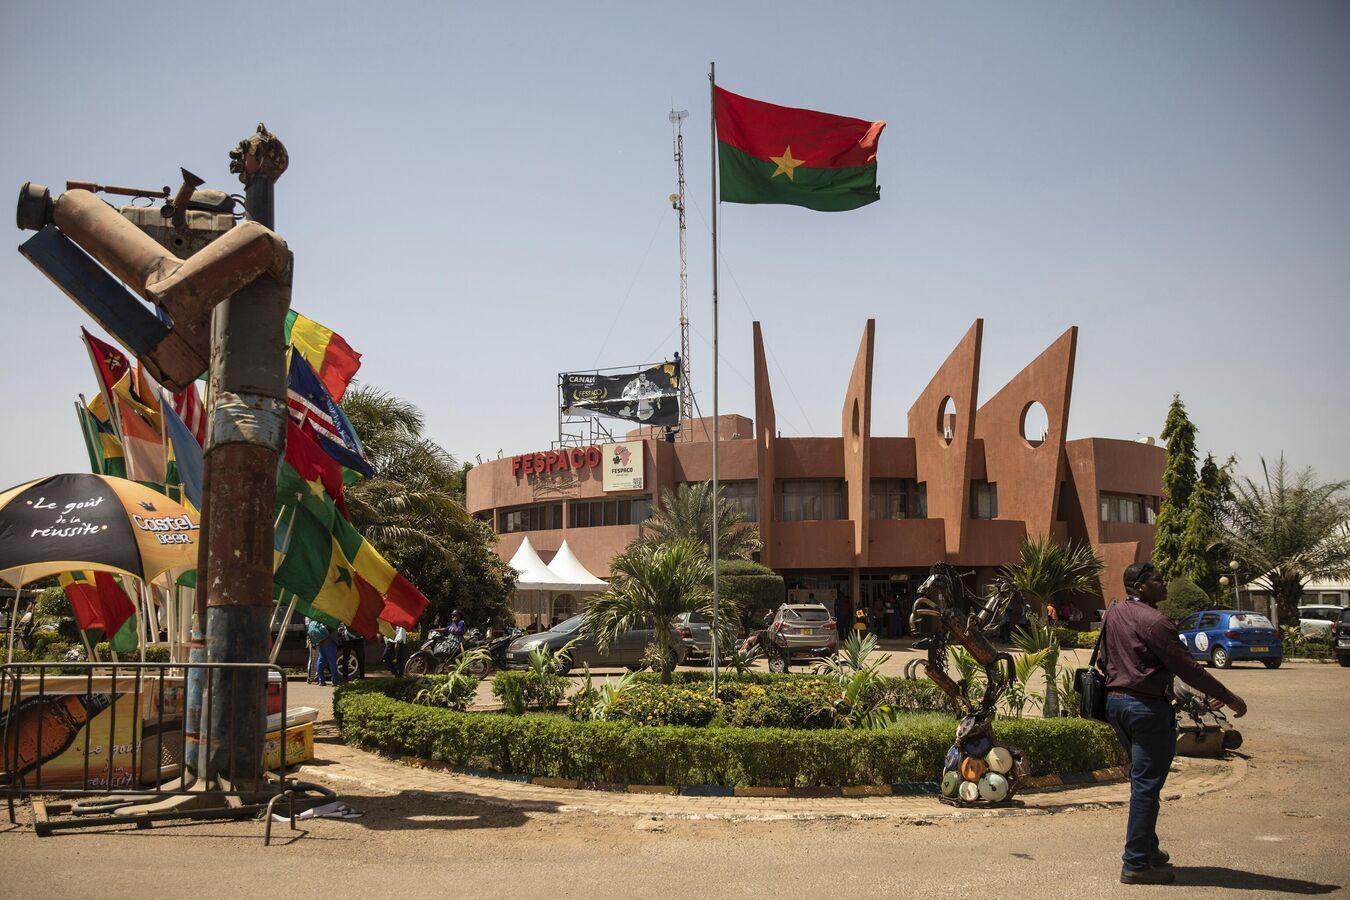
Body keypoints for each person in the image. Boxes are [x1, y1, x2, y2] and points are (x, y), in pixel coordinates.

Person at [1098, 561, 1247, 885]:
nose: (1165, 583)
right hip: (1146, 709)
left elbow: (1102, 659)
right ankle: (1136, 863)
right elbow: (1189, 668)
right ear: (1140, 586)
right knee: (1147, 784)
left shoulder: (1114, 613)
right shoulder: (1156, 622)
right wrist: (1230, 698)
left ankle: (1147, 849)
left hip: (1116, 705)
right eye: (1158, 580)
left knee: (1141, 780)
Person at [307, 618, 342, 687]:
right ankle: (335, 681)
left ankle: (321, 681)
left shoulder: (317, 618)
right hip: (330, 642)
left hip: (320, 642)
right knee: (332, 661)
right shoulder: (330, 618)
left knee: (321, 661)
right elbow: (333, 629)